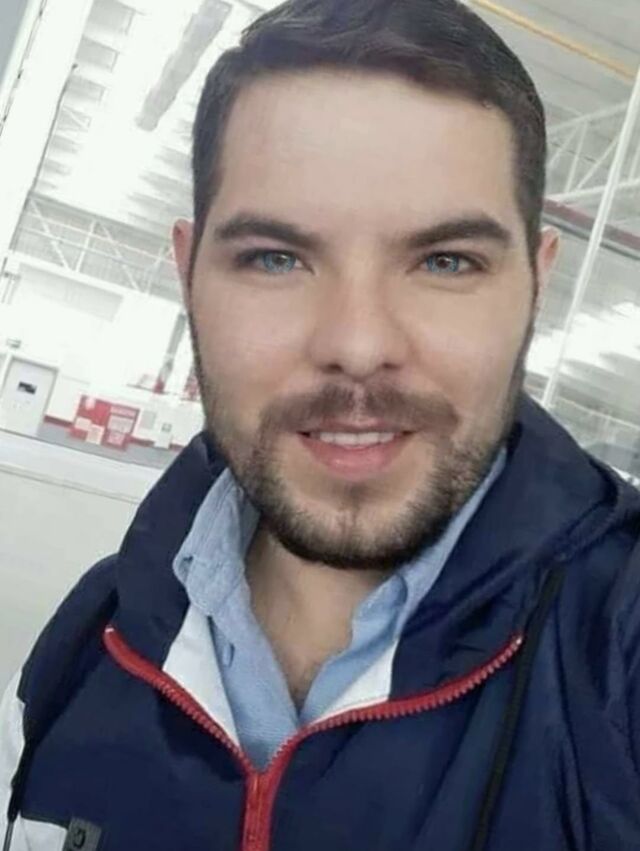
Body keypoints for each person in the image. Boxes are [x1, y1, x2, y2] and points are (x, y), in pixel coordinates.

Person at [2, 0, 640, 848]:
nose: (358, 345)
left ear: (536, 282)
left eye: (446, 261)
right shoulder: (96, 636)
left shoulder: (618, 654)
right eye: (276, 258)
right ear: (189, 274)